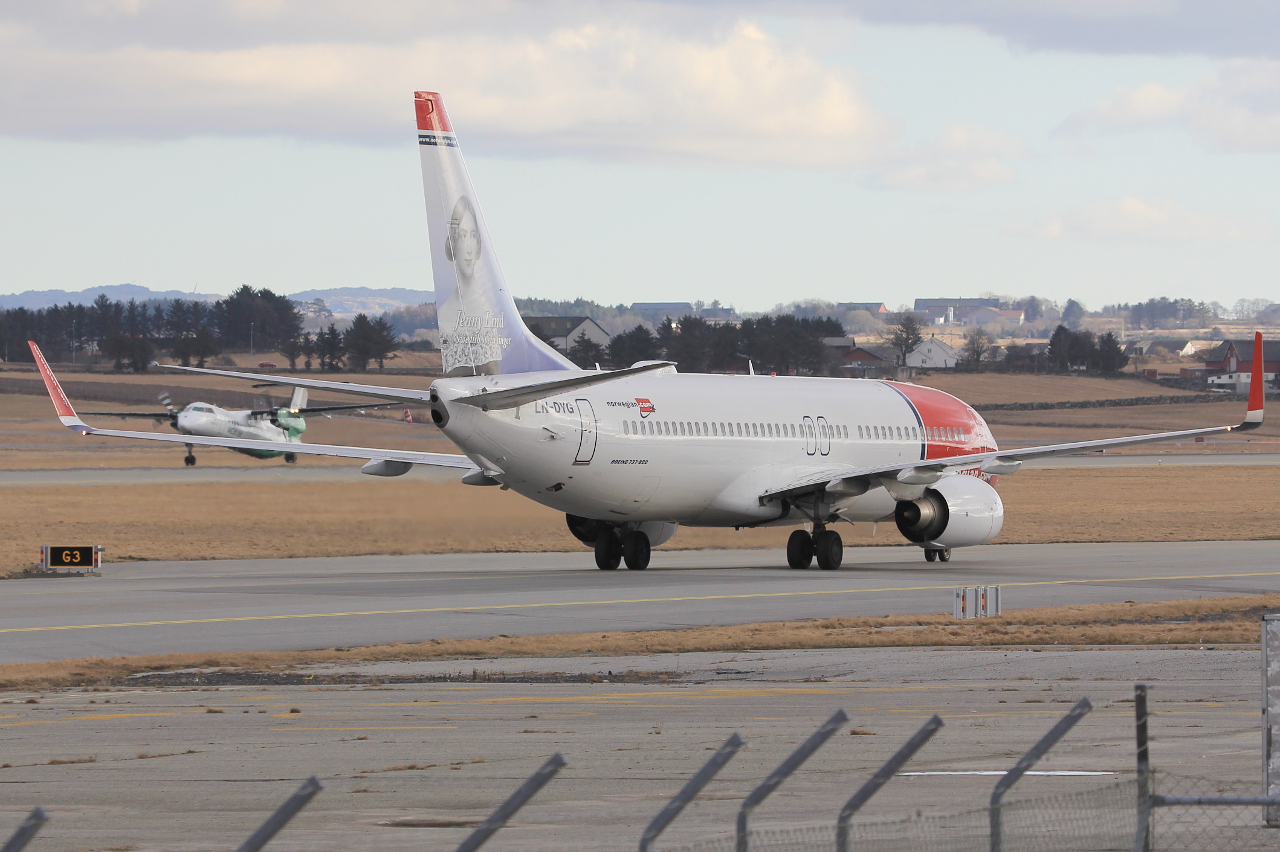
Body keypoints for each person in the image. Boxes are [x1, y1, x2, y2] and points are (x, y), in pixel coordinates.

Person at [437, 195, 504, 376]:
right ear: (453, 244)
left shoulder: (488, 311)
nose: (468, 248)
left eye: (473, 236)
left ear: (478, 244)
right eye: (463, 236)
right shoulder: (445, 313)